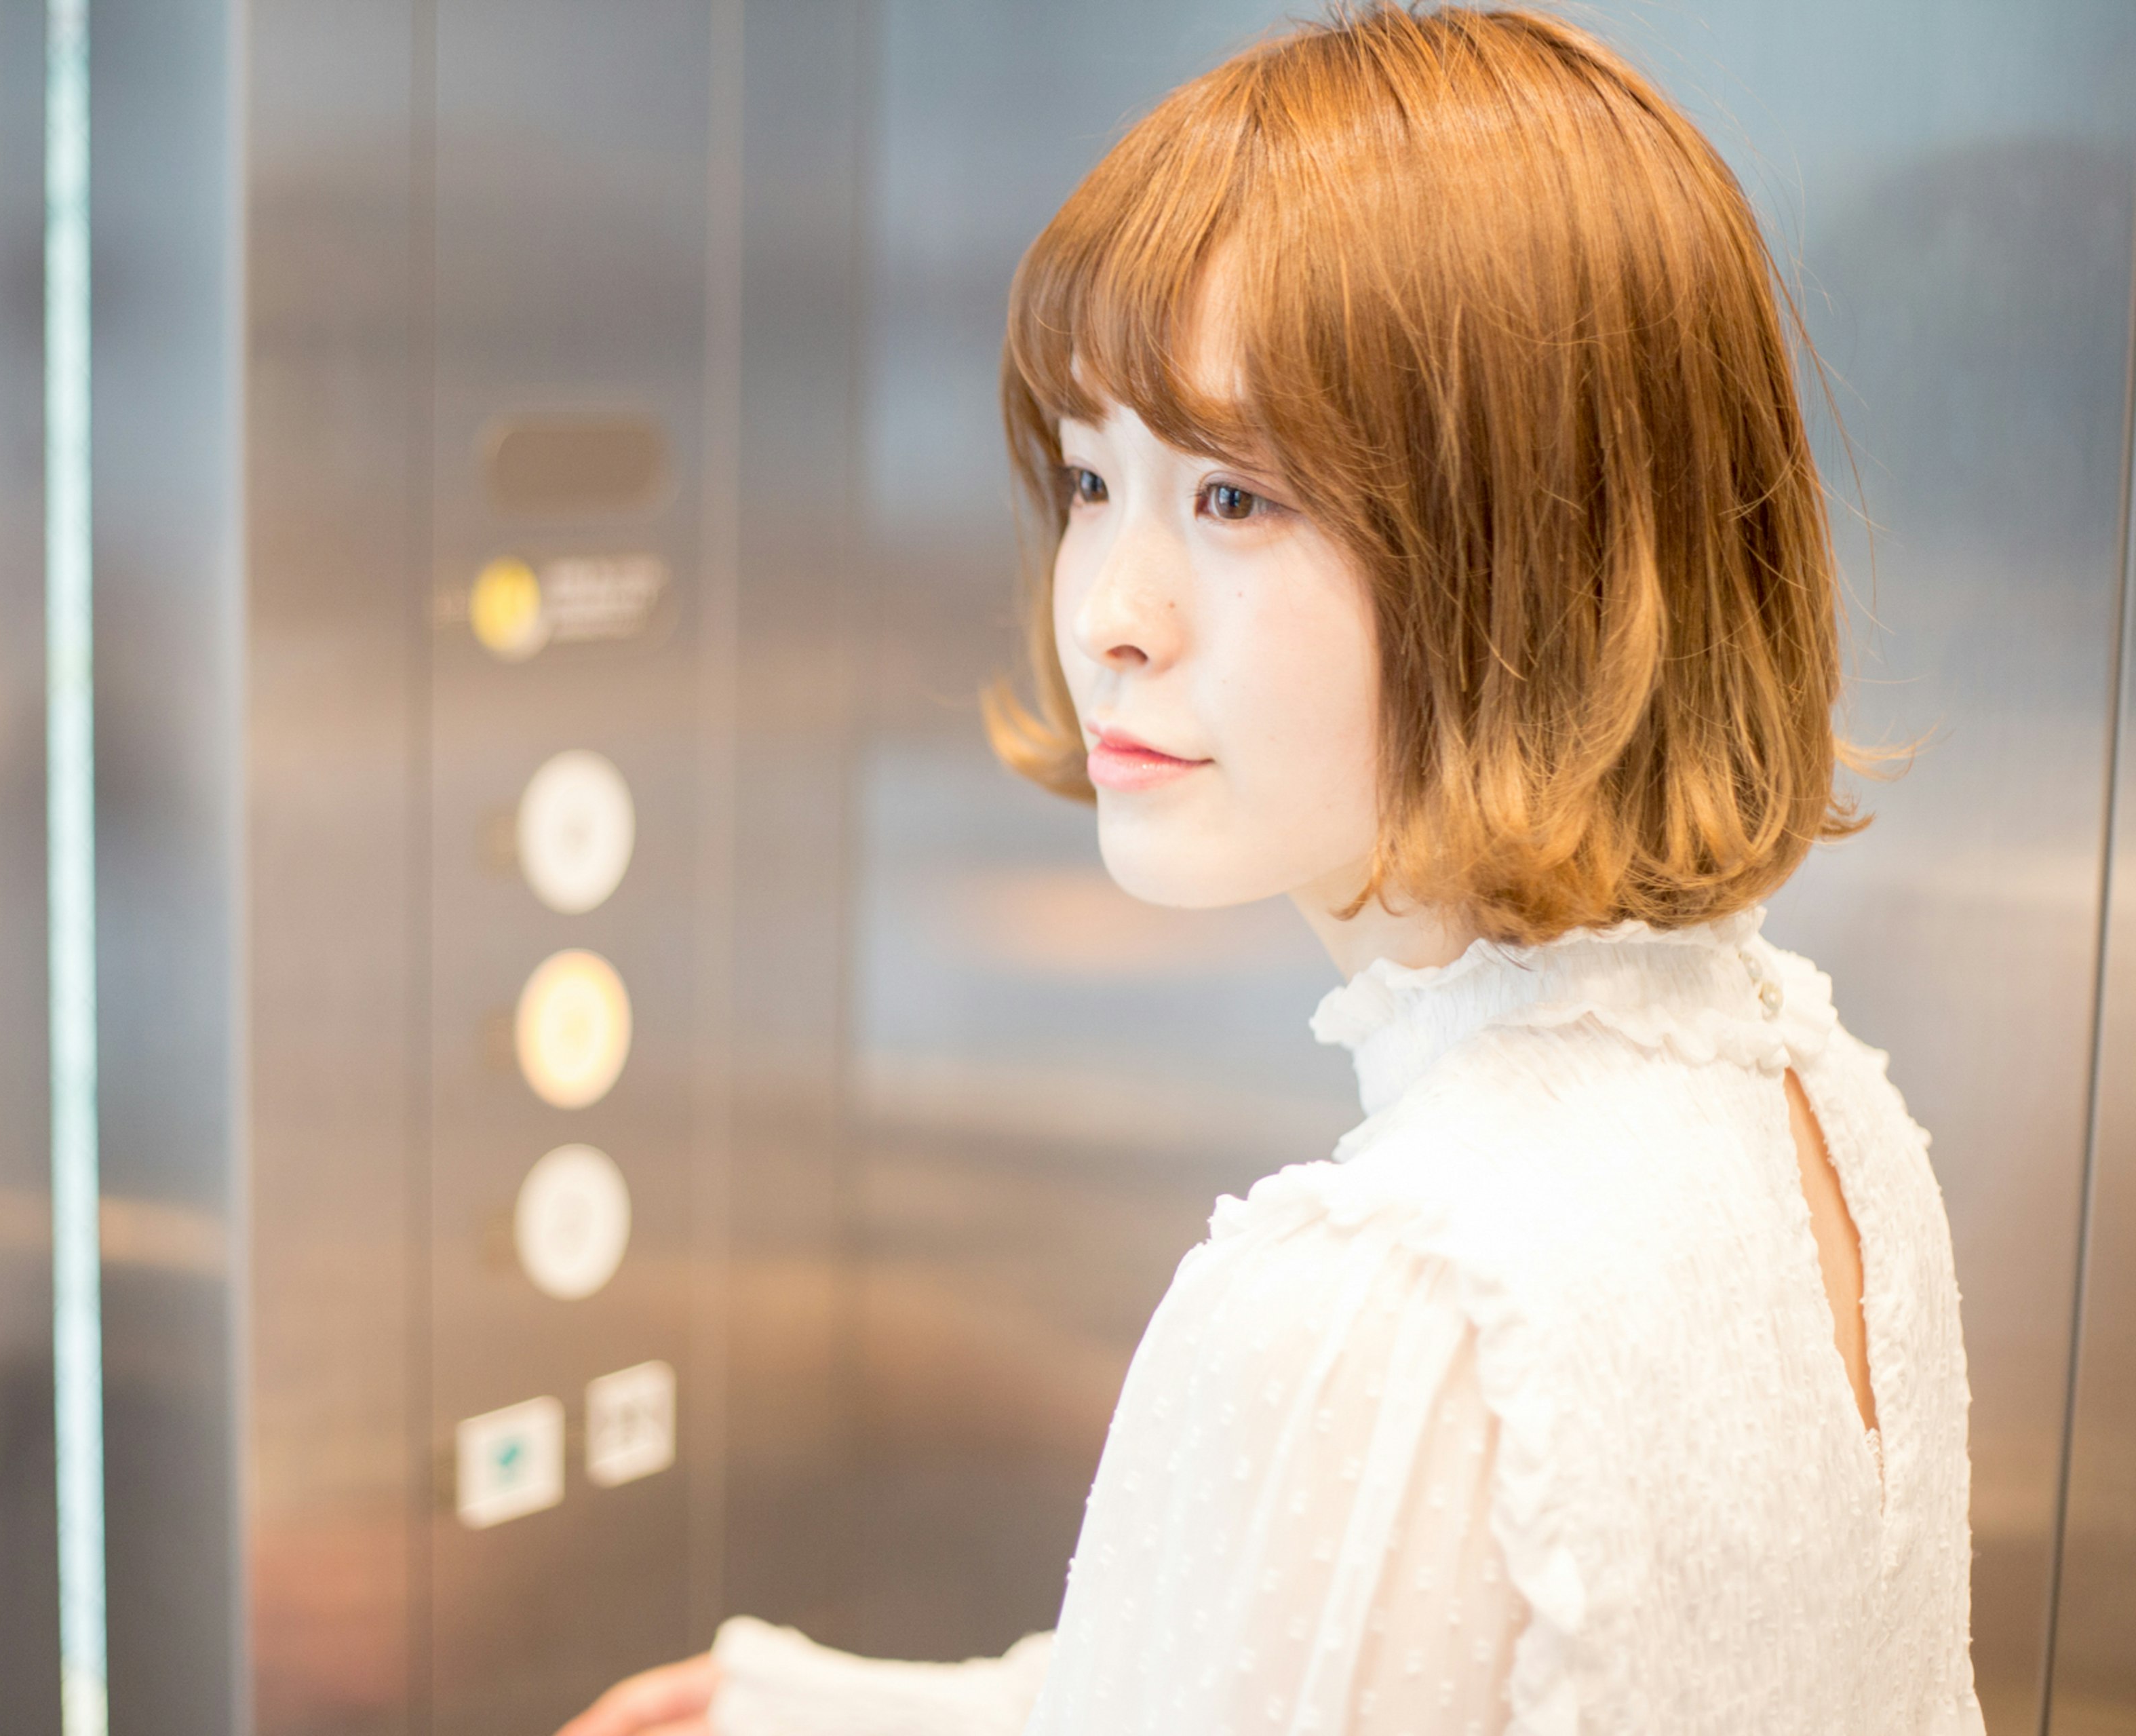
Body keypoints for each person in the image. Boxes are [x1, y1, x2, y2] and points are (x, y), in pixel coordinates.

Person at [562, 3, 1980, 1731]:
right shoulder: (1820, 1107)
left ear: (1537, 539)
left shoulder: (1385, 1299)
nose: (1107, 616)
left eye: (1234, 497)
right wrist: (804, 1711)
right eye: (1092, 478)